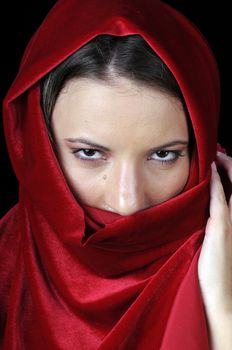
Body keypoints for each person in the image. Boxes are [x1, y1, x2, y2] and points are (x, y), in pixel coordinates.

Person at [0, 0, 231, 349]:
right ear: (38, 147)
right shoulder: (5, 259)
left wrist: (221, 307)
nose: (127, 201)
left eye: (163, 155)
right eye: (90, 153)